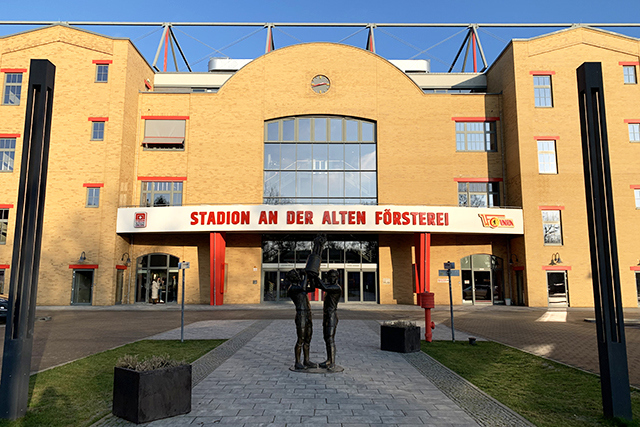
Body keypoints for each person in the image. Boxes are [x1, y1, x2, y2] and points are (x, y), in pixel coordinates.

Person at [286, 269, 316, 370]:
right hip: (301, 315)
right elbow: (303, 287)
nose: (298, 276)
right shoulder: (293, 288)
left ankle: (306, 360)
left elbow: (312, 288)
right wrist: (306, 275)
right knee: (301, 339)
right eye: (296, 275)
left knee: (308, 338)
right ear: (292, 278)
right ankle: (297, 362)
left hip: (308, 314)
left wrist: (312, 278)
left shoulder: (299, 287)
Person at [316, 269, 342, 370]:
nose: (331, 278)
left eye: (333, 277)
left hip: (332, 316)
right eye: (329, 277)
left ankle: (332, 363)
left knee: (330, 339)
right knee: (326, 338)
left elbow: (324, 287)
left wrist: (315, 276)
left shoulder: (336, 287)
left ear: (337, 277)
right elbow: (319, 285)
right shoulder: (330, 287)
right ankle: (328, 360)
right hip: (326, 316)